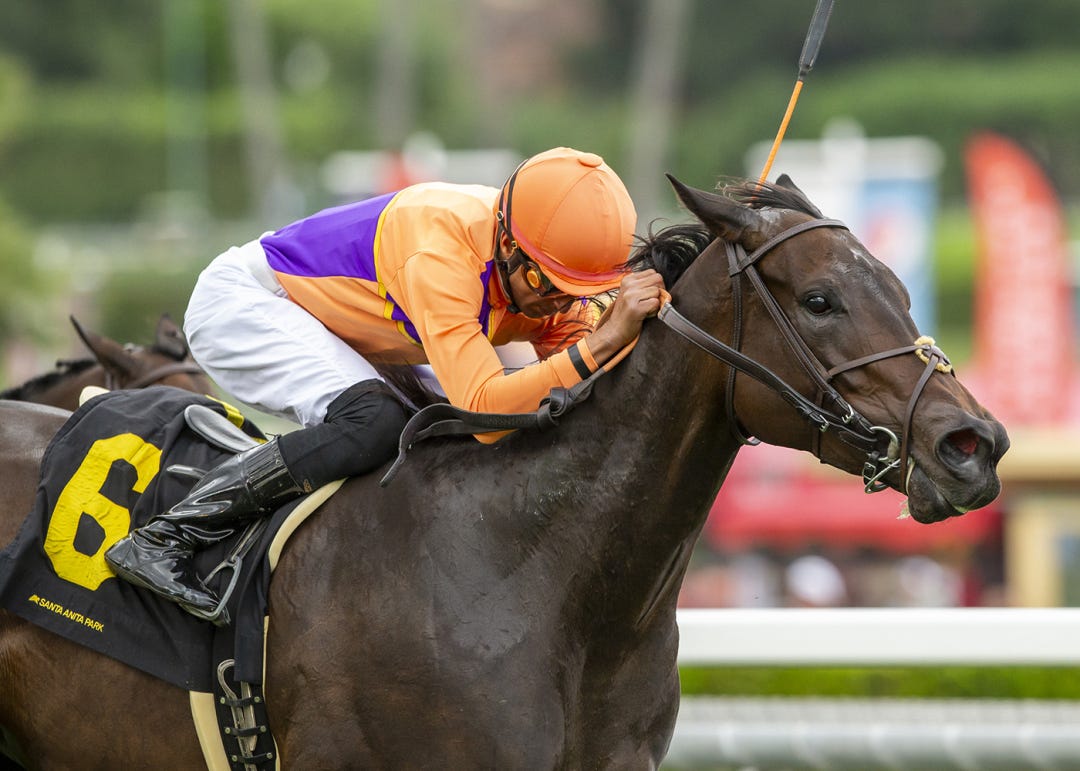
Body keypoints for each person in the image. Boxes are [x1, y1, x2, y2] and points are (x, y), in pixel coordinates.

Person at [105, 147, 665, 624]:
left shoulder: (539, 267)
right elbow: (488, 411)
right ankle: (168, 535)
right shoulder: (442, 256)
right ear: (507, 243)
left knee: (461, 424)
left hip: (347, 324)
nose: (557, 305)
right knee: (374, 423)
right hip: (247, 303)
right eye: (547, 284)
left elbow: (571, 382)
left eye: (576, 293)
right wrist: (600, 344)